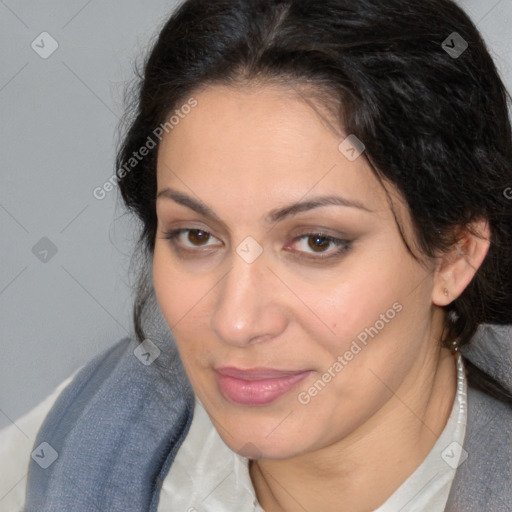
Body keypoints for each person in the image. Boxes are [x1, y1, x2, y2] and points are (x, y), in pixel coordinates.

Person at [1, 0, 511, 510]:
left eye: (317, 242)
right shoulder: (71, 447)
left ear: (455, 256)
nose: (236, 322)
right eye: (196, 235)